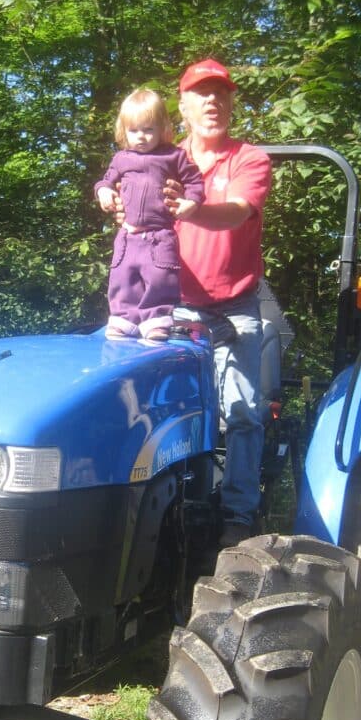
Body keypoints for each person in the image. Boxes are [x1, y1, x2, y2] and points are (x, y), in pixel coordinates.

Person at [169, 59, 273, 545]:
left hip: (235, 306)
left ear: (231, 102)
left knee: (244, 411)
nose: (213, 101)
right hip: (175, 307)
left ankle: (238, 515)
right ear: (183, 105)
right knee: (167, 409)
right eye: (201, 93)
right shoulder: (166, 160)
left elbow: (235, 213)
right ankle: (171, 507)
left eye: (221, 93)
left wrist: (195, 210)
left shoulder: (248, 160)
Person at [94, 88, 204, 343]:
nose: (141, 137)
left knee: (159, 279)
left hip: (159, 236)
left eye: (148, 129)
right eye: (134, 131)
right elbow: (104, 182)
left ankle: (155, 319)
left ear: (163, 128)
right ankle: (124, 320)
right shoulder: (121, 158)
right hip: (128, 234)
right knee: (122, 277)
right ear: (124, 131)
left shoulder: (174, 156)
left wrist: (192, 202)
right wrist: (104, 192)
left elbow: (195, 182)